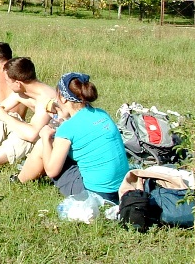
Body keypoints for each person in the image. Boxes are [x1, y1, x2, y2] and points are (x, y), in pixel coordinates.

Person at [17, 72, 129, 203]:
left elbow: (52, 171)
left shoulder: (68, 129)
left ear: (63, 99)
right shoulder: (102, 114)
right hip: (123, 188)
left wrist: (45, 137)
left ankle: (19, 180)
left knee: (43, 146)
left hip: (96, 195)